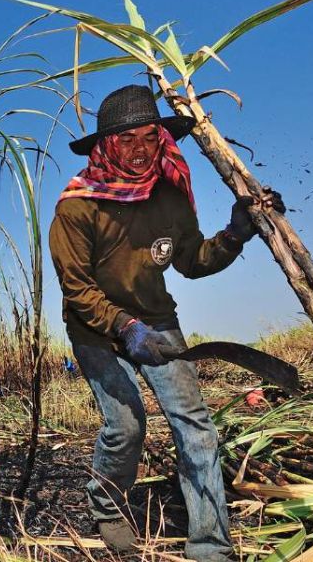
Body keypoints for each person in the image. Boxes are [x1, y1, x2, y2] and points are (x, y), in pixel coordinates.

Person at [48, 85, 283, 560]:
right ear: (106, 146)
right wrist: (125, 329)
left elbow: (193, 261)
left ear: (162, 140)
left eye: (149, 138)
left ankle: (210, 545)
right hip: (95, 328)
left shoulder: (169, 197)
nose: (140, 150)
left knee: (195, 425)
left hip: (157, 320)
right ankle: (108, 505)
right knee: (127, 424)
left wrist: (237, 233)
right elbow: (77, 290)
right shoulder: (77, 207)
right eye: (127, 140)